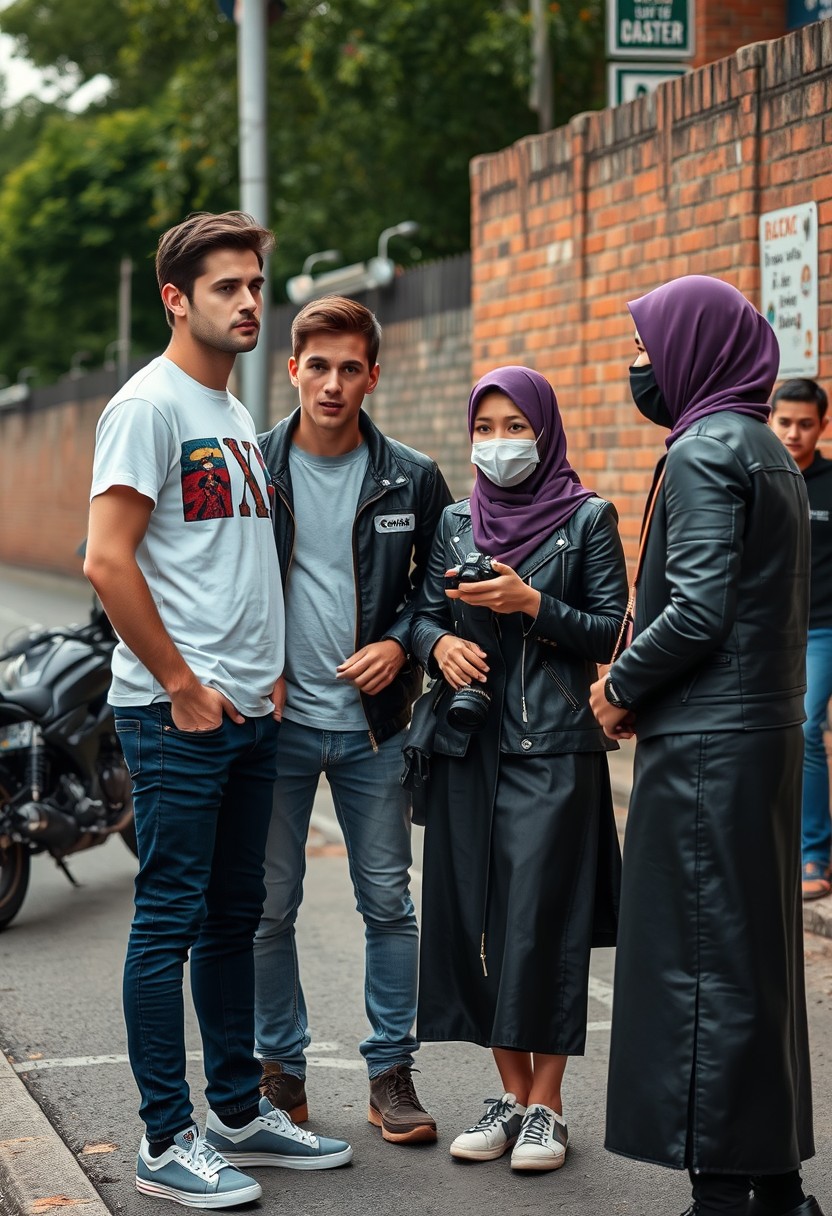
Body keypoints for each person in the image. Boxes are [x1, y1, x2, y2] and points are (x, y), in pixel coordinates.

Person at [85, 212, 351, 1210]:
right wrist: (186, 685)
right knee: (169, 920)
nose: (249, 301)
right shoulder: (147, 408)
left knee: (235, 917)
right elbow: (108, 561)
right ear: (175, 298)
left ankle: (238, 1110)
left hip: (248, 712)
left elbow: (233, 564)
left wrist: (268, 669)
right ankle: (165, 1137)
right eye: (228, 286)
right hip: (175, 715)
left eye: (255, 284)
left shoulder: (235, 415)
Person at [590, 276, 822, 1216]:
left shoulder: (702, 450)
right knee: (749, 964)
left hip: (706, 751)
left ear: (694, 346)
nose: (637, 362)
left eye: (647, 344)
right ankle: (777, 1186)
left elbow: (694, 611)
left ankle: (721, 1192)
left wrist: (618, 687)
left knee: (695, 971)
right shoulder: (765, 446)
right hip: (758, 740)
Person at [409, 366, 627, 1171]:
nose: (499, 444)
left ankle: (550, 1106)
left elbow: (611, 632)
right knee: (478, 923)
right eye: (487, 427)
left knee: (543, 923)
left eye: (514, 427)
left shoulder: (588, 517)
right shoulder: (457, 523)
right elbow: (423, 609)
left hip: (554, 750)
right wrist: (439, 641)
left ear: (544, 429)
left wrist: (531, 605)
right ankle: (507, 1094)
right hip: (469, 750)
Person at [254, 295, 452, 1144]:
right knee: (267, 907)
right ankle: (280, 1077)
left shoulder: (411, 474)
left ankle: (390, 1076)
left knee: (388, 903)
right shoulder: (252, 466)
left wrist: (402, 645)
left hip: (376, 726)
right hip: (276, 722)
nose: (333, 384)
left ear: (373, 375)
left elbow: (440, 586)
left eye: (350, 368)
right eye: (318, 366)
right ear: (292, 368)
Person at [770, 378, 832, 900]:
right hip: (771, 632)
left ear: (822, 425)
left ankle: (814, 856)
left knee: (808, 729)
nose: (793, 433)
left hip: (821, 630)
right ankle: (778, 844)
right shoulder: (762, 474)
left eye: (805, 424)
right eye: (784, 422)